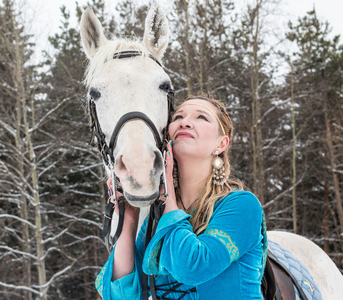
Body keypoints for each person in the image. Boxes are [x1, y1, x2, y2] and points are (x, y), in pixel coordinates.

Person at [95, 95, 268, 299]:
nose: (185, 122)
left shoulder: (242, 205)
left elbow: (192, 268)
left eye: (201, 117)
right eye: (178, 117)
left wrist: (168, 198)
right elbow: (120, 295)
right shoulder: (158, 218)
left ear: (221, 144)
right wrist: (130, 217)